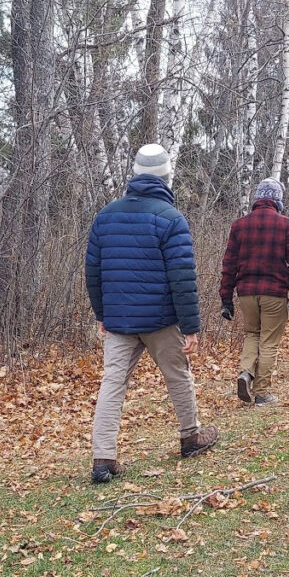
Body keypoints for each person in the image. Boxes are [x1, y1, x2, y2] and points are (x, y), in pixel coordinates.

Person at [85, 143, 219, 484]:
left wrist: (102, 313)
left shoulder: (106, 215)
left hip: (118, 320)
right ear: (165, 177)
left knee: (112, 384)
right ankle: (190, 437)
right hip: (161, 319)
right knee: (178, 377)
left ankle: (103, 458)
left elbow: (93, 271)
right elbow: (182, 277)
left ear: (135, 174)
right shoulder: (171, 219)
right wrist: (190, 326)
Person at [220, 177, 289, 405]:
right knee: (268, 342)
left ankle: (245, 372)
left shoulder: (239, 225)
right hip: (274, 294)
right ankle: (261, 393)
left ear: (257, 198)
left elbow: (229, 265)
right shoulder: (286, 225)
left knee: (252, 335)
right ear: (278, 200)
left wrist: (225, 300)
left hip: (246, 293)